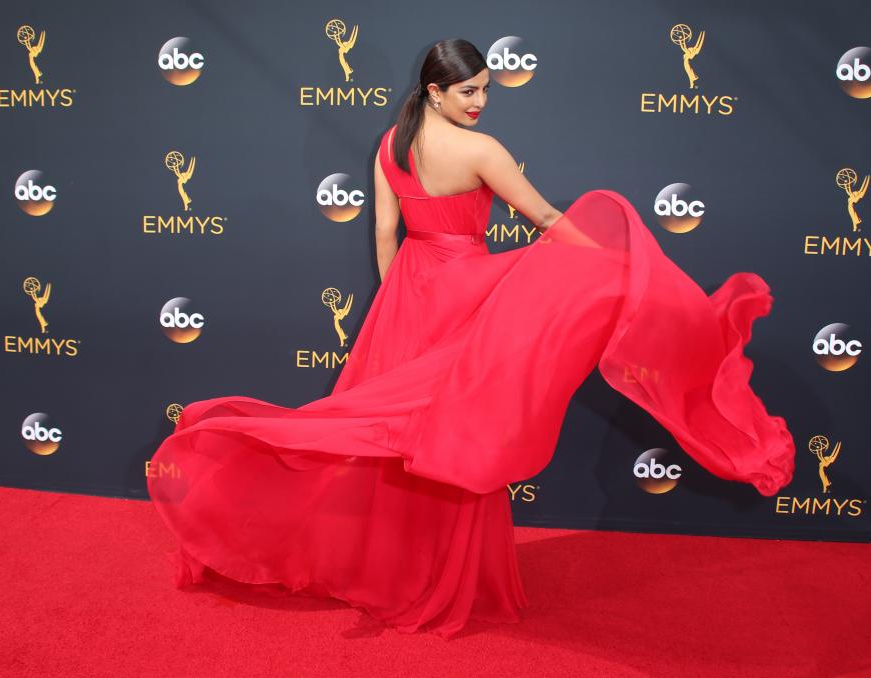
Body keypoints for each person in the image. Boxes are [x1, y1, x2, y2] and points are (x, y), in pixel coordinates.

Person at [147, 39, 794, 639]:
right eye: (468, 92)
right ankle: (432, 578)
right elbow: (543, 218)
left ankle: (381, 565)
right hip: (464, 292)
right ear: (434, 91)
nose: (480, 102)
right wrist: (610, 267)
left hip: (406, 293)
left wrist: (400, 294)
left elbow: (384, 234)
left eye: (486, 89)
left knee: (385, 440)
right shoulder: (481, 152)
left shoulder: (389, 145)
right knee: (456, 435)